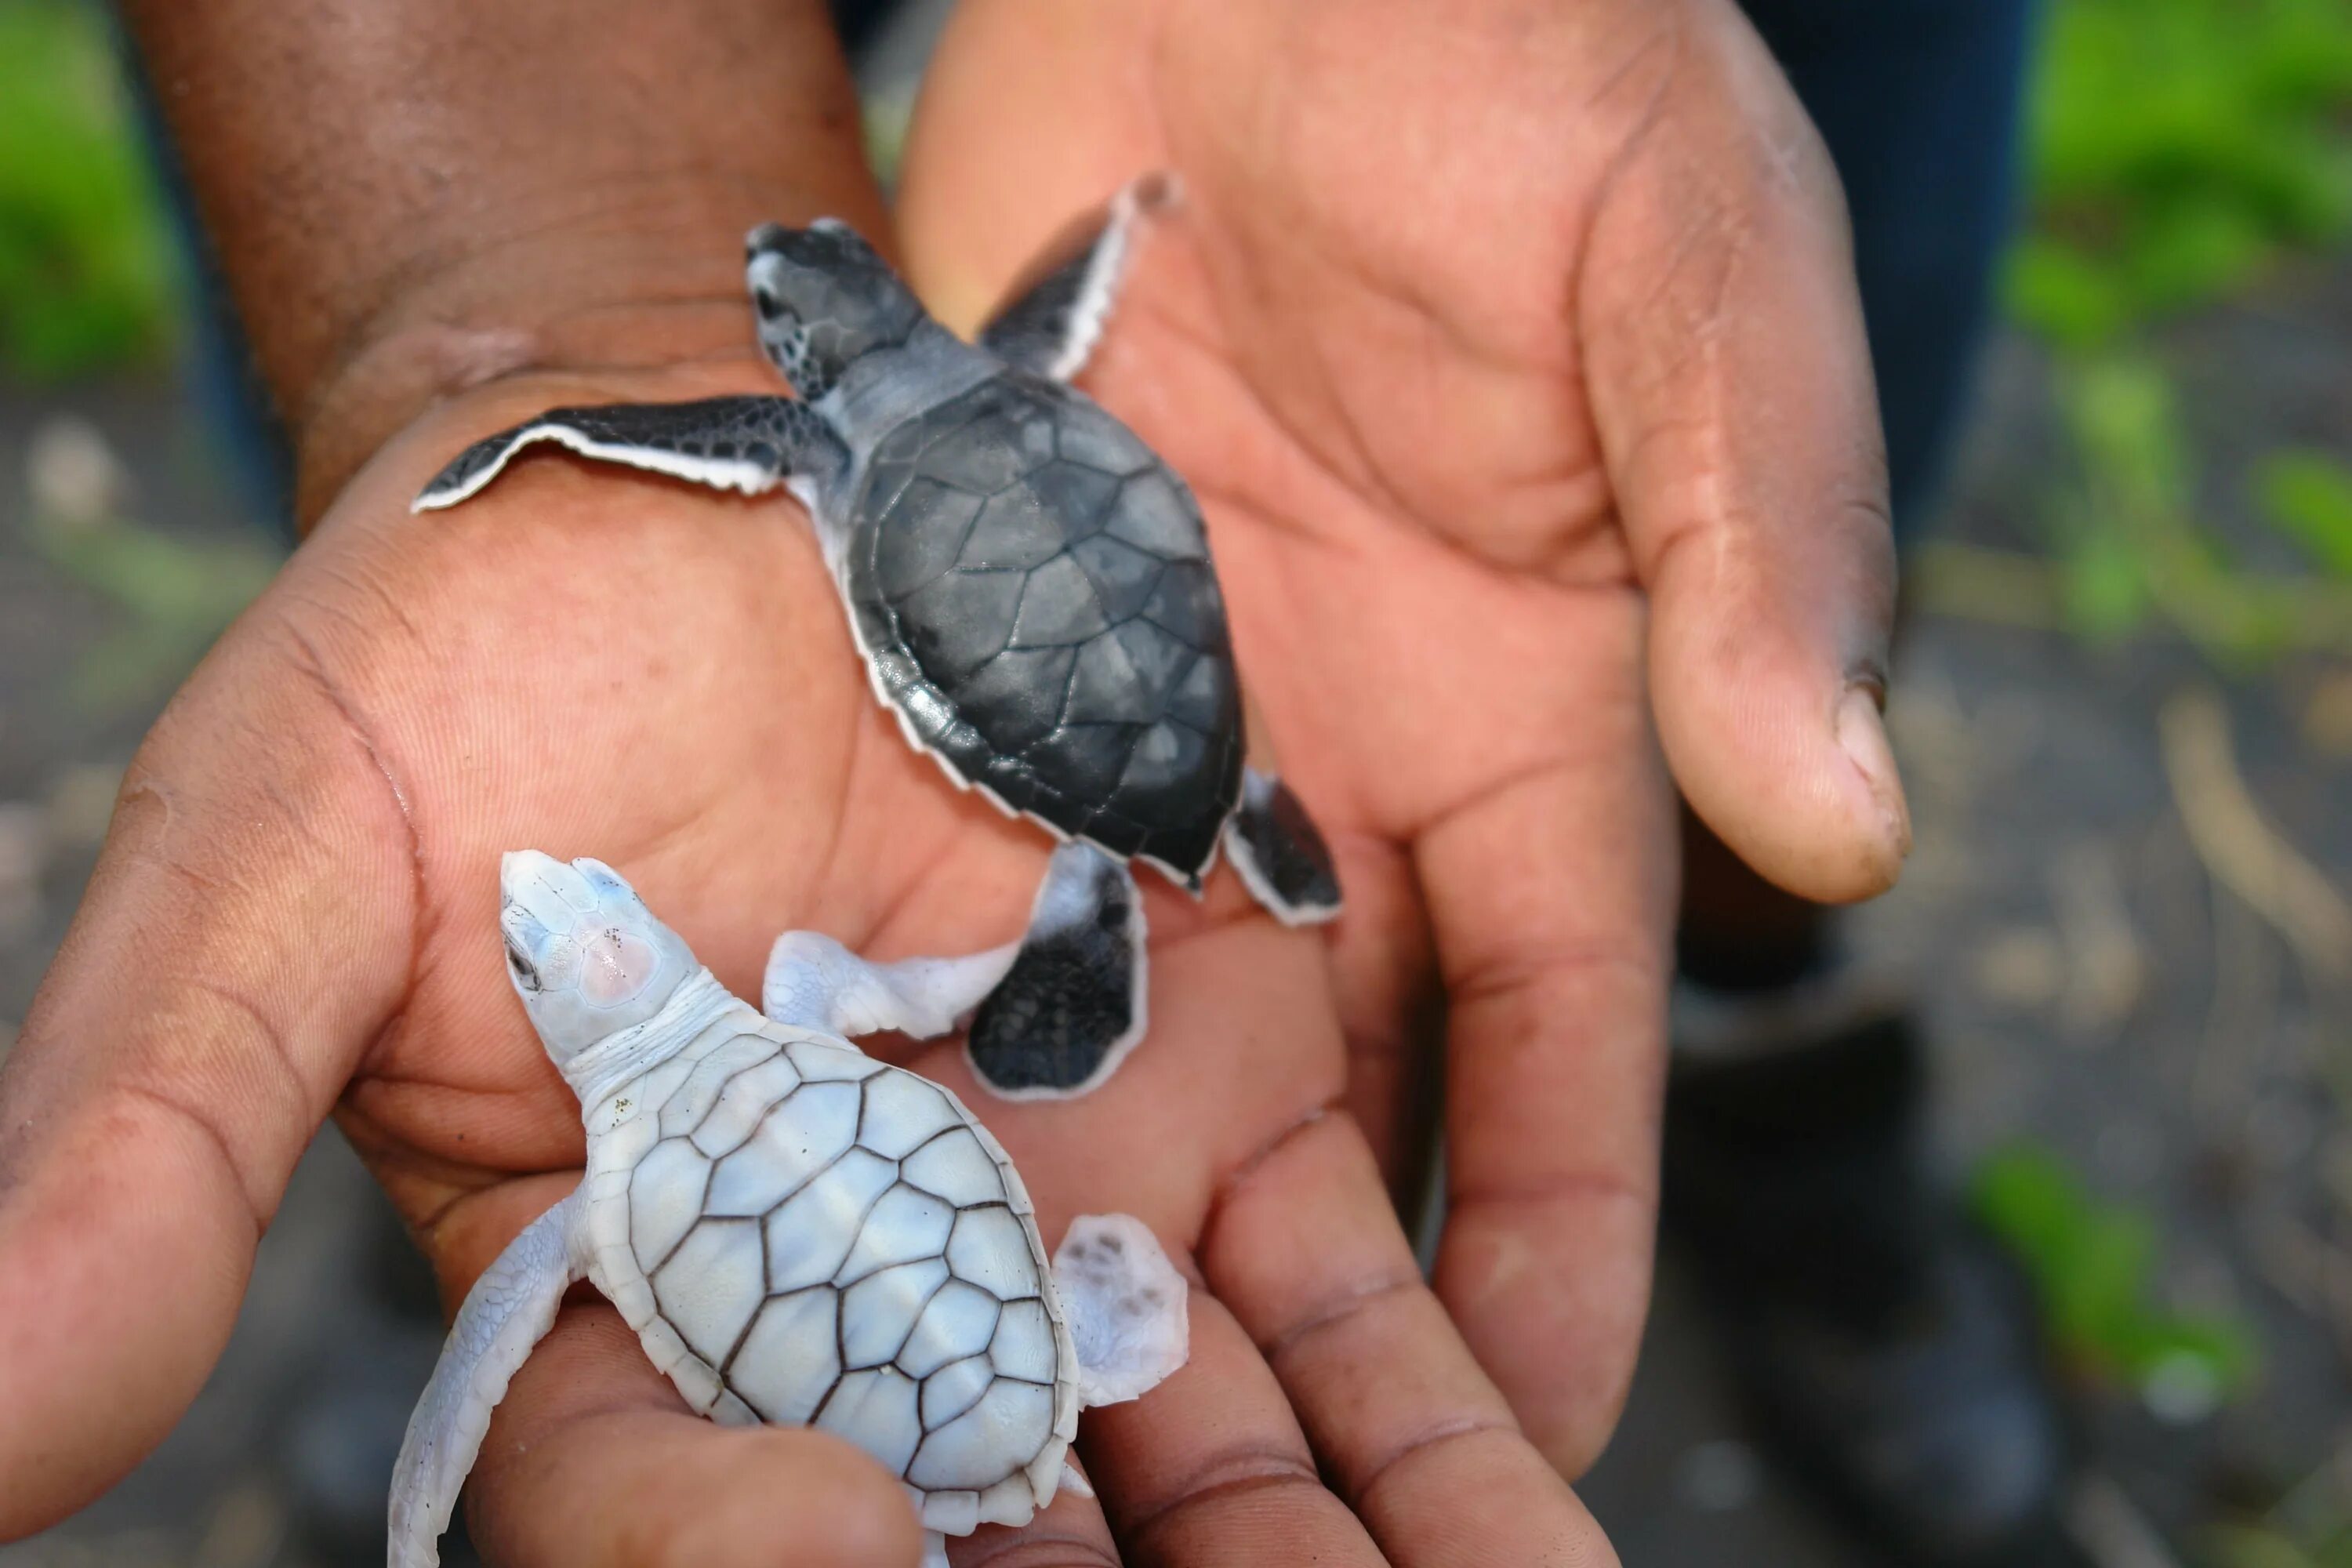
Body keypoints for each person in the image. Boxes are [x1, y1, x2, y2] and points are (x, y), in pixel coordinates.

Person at [0, 0, 1993, 1563]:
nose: (767, 342)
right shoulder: (1010, 365)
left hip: (997, 768)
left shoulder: (796, 453)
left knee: (1759, 495)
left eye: (775, 338)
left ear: (789, 384)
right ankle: (1186, 870)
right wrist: (498, 362)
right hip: (1120, 678)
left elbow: (680, 429)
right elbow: (1050, 315)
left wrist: (533, 422)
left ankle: (1745, 1013)